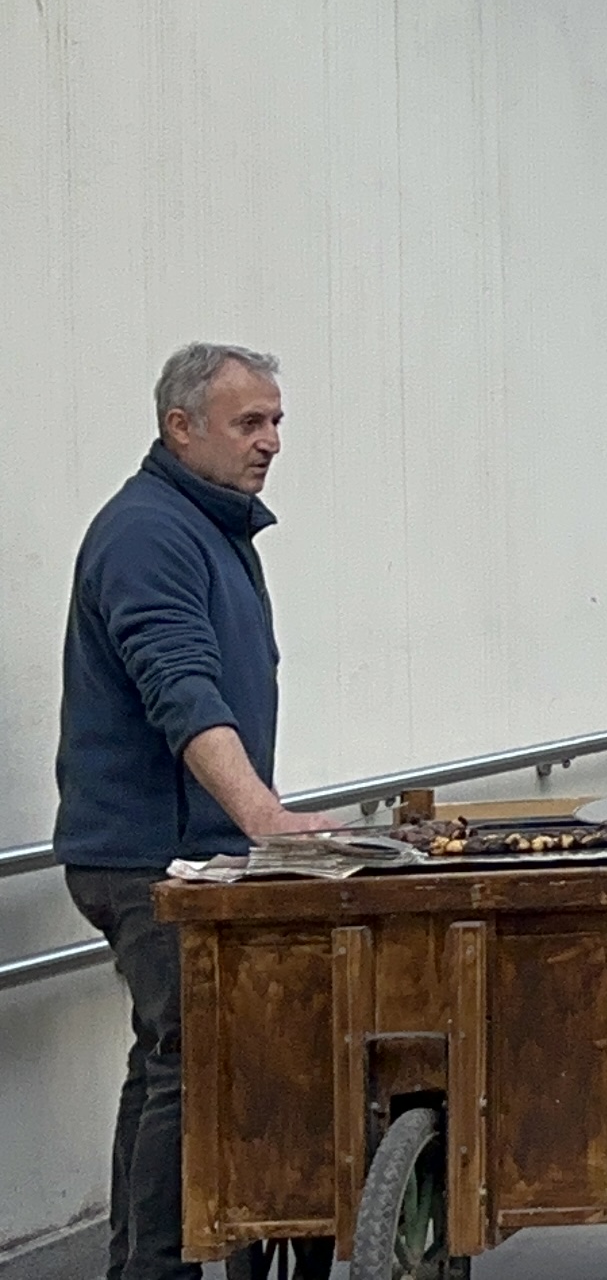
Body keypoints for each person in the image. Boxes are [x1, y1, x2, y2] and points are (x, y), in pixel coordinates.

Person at [57, 344, 331, 1280]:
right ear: (182, 428)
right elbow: (180, 689)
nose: (271, 442)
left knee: (166, 1058)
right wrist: (266, 818)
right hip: (154, 858)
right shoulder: (150, 533)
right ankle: (157, 1268)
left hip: (175, 848)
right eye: (249, 423)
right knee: (191, 1061)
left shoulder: (207, 528)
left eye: (277, 421)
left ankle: (141, 1264)